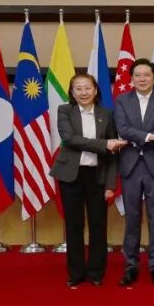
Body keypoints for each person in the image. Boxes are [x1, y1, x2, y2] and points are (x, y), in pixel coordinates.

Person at [51, 73, 126, 288]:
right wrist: (103, 144)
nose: (83, 92)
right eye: (78, 89)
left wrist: (111, 185)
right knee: (73, 225)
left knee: (98, 225)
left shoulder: (106, 114)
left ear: (95, 90)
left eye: (87, 88)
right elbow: (70, 139)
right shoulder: (65, 110)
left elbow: (113, 152)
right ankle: (75, 272)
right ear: (72, 92)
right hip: (71, 176)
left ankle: (96, 272)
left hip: (97, 176)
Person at [113, 58, 154, 287]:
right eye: (137, 75)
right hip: (130, 165)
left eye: (147, 75)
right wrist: (150, 136)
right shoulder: (122, 100)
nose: (142, 79)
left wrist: (142, 136)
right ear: (131, 78)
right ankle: (131, 266)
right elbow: (122, 129)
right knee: (132, 218)